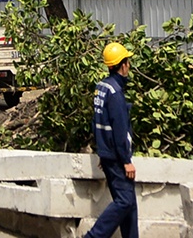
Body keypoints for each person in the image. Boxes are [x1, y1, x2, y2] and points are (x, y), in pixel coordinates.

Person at [84, 42, 137, 238]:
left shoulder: (102, 88)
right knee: (125, 201)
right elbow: (119, 130)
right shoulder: (115, 93)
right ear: (122, 65)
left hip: (108, 154)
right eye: (128, 62)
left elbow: (96, 123)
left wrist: (102, 151)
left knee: (129, 204)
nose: (129, 66)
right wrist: (126, 160)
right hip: (116, 157)